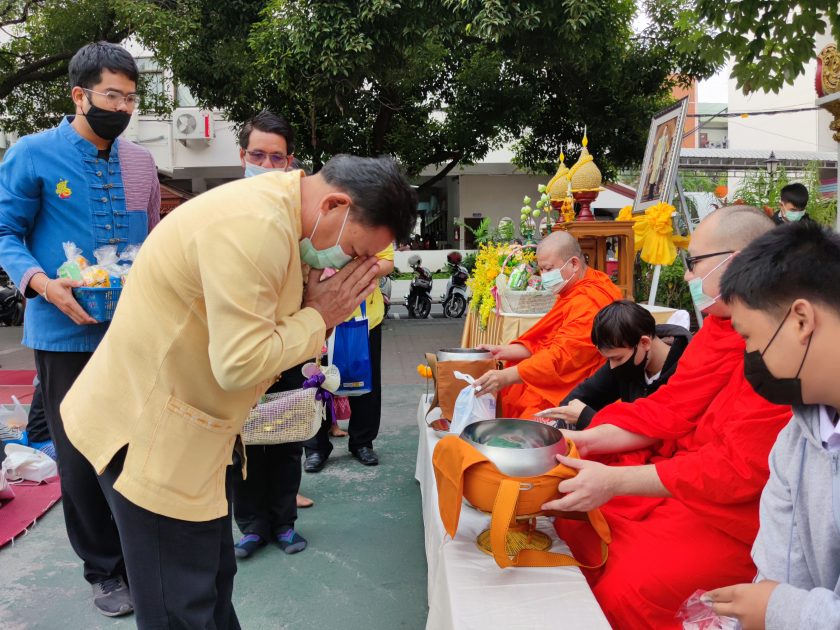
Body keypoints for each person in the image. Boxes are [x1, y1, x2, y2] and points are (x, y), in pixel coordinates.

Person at [59, 154, 417, 628]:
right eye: (353, 251)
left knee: (208, 586)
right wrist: (318, 316)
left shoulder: (283, 220)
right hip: (150, 436)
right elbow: (240, 363)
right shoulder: (255, 227)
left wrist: (311, 312)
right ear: (334, 205)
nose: (348, 265)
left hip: (194, 433)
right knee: (180, 605)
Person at [545, 206, 793, 630]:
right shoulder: (720, 328)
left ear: (737, 263)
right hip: (685, 474)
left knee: (627, 586)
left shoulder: (781, 348)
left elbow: (737, 468)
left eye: (693, 262)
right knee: (580, 519)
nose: (687, 275)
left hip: (735, 514)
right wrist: (584, 440)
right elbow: (670, 407)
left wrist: (617, 482)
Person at [0, 42, 160, 617]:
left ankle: (145, 557)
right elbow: (4, 233)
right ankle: (105, 569)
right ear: (79, 94)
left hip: (132, 332)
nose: (122, 108)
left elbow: (153, 240)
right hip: (63, 334)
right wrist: (43, 284)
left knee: (139, 446)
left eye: (131, 98)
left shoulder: (140, 162)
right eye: (113, 96)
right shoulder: (32, 153)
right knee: (79, 455)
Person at [703, 221, 840, 630]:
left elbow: (777, 601)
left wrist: (780, 609)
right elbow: (778, 571)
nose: (748, 355)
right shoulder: (795, 441)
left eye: (748, 337)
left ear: (801, 320)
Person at [230, 110, 312, 560]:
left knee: (286, 436)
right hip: (238, 344)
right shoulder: (223, 209)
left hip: (289, 343)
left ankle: (283, 523)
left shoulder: (299, 214)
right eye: (257, 155)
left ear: (289, 161)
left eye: (276, 157)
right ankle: (251, 526)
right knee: (241, 440)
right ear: (242, 156)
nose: (265, 164)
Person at [472, 231, 622, 418]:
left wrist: (508, 376)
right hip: (559, 371)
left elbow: (563, 357)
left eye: (549, 269)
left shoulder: (589, 300)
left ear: (574, 264)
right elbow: (545, 342)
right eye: (541, 270)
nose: (544, 276)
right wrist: (501, 351)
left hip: (579, 385)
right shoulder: (575, 288)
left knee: (528, 415)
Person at [303, 243, 394, 471]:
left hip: (364, 318)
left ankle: (362, 442)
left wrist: (349, 272)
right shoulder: (315, 224)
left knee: (366, 383)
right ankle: (315, 448)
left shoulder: (374, 222)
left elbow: (387, 262)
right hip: (319, 316)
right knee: (315, 383)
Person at [535, 300, 690, 430]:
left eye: (617, 358)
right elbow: (582, 396)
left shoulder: (687, 372)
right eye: (609, 359)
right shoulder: (627, 361)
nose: (613, 366)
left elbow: (658, 433)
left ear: (644, 342)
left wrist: (587, 418)